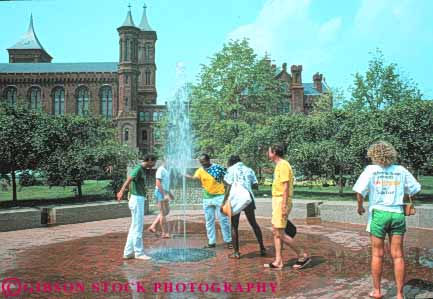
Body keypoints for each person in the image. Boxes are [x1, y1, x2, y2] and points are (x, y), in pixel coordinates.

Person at [353, 141, 421, 299]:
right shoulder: (400, 170)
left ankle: (377, 291)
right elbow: (416, 188)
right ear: (391, 153)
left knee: (377, 254)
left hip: (379, 214)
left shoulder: (371, 170)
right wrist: (401, 195)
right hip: (397, 213)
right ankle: (399, 294)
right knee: (398, 255)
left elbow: (359, 191)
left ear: (373, 154)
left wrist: (360, 207)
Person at [265, 144, 311, 269]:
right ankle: (278, 261)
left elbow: (285, 187)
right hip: (278, 200)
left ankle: (302, 255)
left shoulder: (284, 165)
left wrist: (284, 205)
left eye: (268, 151)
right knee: (277, 231)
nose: (267, 153)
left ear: (274, 152)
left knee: (278, 232)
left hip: (281, 201)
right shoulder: (279, 165)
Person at [222, 155, 266, 259]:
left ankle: (236, 253)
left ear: (231, 162)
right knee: (253, 223)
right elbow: (255, 185)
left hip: (236, 199)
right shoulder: (249, 169)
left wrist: (224, 201)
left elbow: (228, 186)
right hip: (248, 198)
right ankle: (262, 248)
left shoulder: (231, 169)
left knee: (234, 225)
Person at [185, 154, 232, 249]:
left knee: (223, 220)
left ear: (208, 160)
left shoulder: (218, 168)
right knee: (209, 221)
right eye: (201, 162)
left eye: (203, 162)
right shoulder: (200, 170)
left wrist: (226, 198)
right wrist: (184, 175)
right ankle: (211, 242)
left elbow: (227, 181)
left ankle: (228, 241)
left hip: (219, 197)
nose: (202, 164)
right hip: (207, 198)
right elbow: (194, 178)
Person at [117, 155, 156, 260]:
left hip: (137, 198)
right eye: (154, 162)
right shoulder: (138, 168)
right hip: (137, 199)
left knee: (134, 227)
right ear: (149, 160)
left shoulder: (143, 169)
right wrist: (121, 191)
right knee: (138, 227)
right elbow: (129, 178)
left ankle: (128, 252)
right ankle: (139, 253)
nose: (154, 165)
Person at [148, 159, 173, 238]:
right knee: (163, 213)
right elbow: (158, 183)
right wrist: (164, 194)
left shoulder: (166, 170)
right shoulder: (160, 169)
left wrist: (170, 193)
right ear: (165, 161)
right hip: (160, 192)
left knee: (166, 211)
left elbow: (165, 184)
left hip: (164, 192)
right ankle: (164, 233)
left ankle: (153, 226)